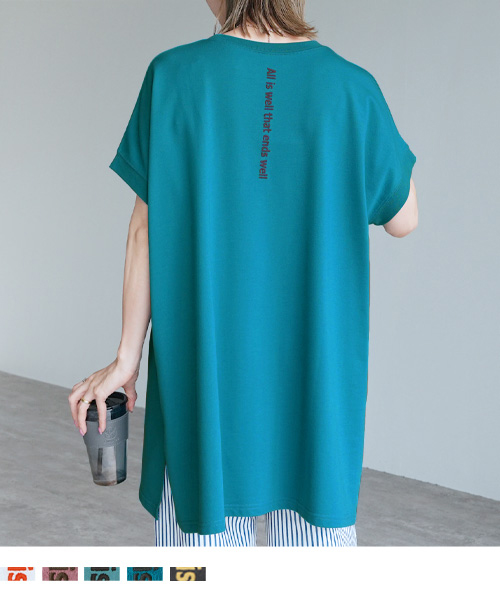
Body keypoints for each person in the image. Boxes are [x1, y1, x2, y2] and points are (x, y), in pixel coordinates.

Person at [68, 0, 418, 547]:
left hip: (203, 373)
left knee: (201, 560)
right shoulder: (354, 88)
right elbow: (404, 219)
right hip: (313, 379)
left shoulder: (174, 75)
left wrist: (126, 360)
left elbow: (144, 231)